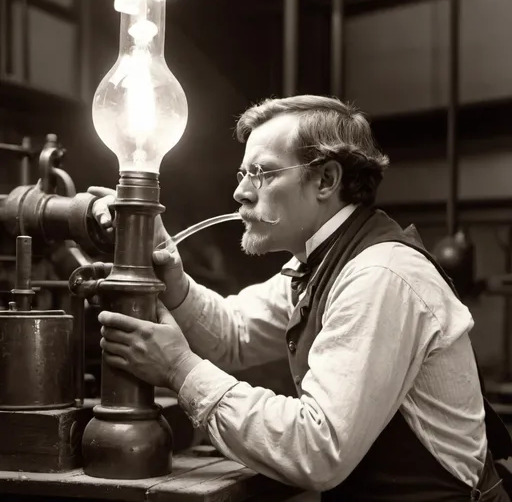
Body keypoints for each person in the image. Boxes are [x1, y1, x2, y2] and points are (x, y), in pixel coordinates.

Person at [91, 95, 511, 501]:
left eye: (262, 172)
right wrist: (177, 283)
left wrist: (180, 370)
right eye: (242, 175)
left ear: (326, 180)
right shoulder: (317, 266)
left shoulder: (378, 277)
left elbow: (317, 448)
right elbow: (234, 333)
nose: (241, 193)